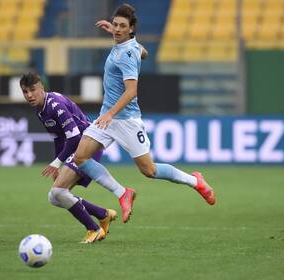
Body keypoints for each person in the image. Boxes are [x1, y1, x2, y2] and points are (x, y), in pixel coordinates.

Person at [73, 4, 216, 223]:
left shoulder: (126, 54)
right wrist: (115, 31)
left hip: (125, 120)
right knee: (81, 157)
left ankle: (195, 181)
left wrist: (110, 114)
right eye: (116, 25)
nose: (118, 29)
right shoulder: (131, 46)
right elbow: (144, 52)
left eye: (122, 26)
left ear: (131, 29)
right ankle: (123, 193)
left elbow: (131, 91)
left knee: (149, 170)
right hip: (108, 118)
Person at [20, 72, 117, 244]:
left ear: (41, 87)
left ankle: (94, 229)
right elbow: (59, 137)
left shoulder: (55, 105)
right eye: (25, 92)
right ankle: (103, 214)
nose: (29, 95)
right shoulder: (40, 110)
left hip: (88, 146)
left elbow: (73, 137)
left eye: (32, 90)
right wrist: (58, 163)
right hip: (78, 147)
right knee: (55, 197)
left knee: (58, 192)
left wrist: (57, 163)